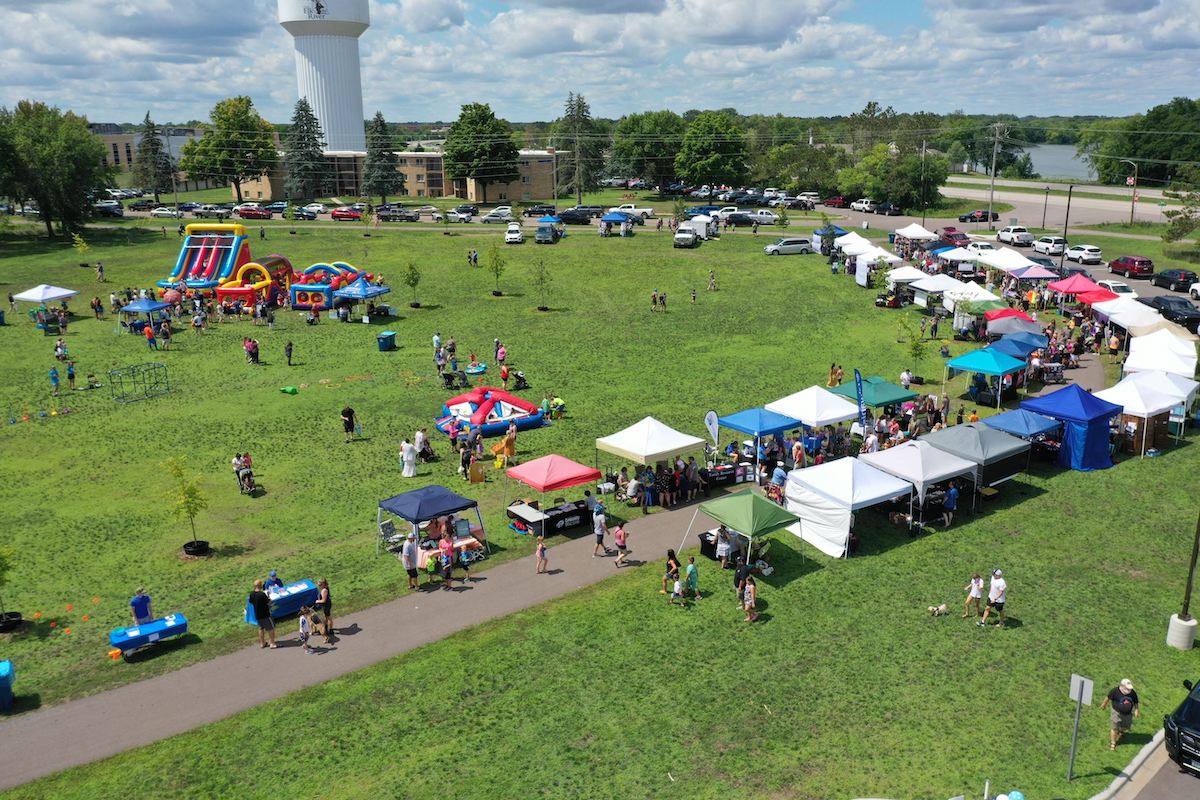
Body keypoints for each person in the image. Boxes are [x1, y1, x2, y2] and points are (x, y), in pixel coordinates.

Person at [1100, 679, 1140, 751]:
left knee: (1126, 726)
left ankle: (1120, 731)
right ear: (1122, 686)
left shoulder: (1132, 693)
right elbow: (1108, 698)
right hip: (1116, 712)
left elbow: (1136, 702)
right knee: (1114, 727)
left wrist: (1137, 710)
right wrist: (1103, 705)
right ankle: (1113, 743)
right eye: (1127, 688)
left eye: (1129, 688)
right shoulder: (1115, 691)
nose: (1129, 690)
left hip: (1128, 714)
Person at [248, 579, 277, 649]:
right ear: (260, 585)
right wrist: (270, 598)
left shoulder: (251, 594)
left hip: (258, 615)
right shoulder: (262, 594)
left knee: (261, 628)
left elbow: (251, 601)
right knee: (271, 628)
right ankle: (272, 643)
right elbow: (269, 603)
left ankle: (262, 643)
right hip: (265, 615)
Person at [315, 578, 333, 643]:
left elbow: (323, 600)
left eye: (320, 585)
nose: (319, 586)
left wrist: (317, 601)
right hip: (326, 605)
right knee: (327, 617)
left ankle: (330, 630)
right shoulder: (324, 588)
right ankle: (326, 629)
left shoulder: (324, 590)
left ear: (323, 584)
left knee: (328, 618)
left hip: (326, 605)